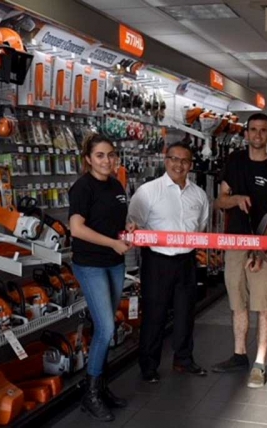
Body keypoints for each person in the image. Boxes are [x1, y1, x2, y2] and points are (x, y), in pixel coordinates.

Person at [212, 113, 267, 389]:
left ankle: (259, 363)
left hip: (263, 246)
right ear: (246, 134)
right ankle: (238, 355)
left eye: (263, 131)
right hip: (234, 244)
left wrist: (261, 249)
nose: (257, 135)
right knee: (237, 304)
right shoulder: (233, 163)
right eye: (253, 130)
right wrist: (234, 198)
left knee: (263, 305)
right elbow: (219, 202)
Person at [128, 141, 210, 383]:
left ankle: (183, 360)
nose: (179, 164)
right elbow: (134, 224)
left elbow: (201, 226)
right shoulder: (148, 191)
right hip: (157, 261)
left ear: (191, 165)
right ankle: (149, 366)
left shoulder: (199, 195)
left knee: (186, 313)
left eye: (184, 160)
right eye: (174, 159)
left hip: (187, 260)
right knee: (155, 314)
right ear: (166, 161)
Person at [68, 135, 133, 422]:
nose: (107, 160)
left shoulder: (117, 184)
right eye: (100, 155)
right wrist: (112, 243)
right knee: (106, 328)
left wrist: (128, 227)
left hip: (114, 263)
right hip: (91, 264)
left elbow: (113, 220)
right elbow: (77, 229)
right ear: (88, 159)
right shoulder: (82, 187)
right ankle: (90, 394)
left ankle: (101, 387)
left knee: (104, 328)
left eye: (111, 155)